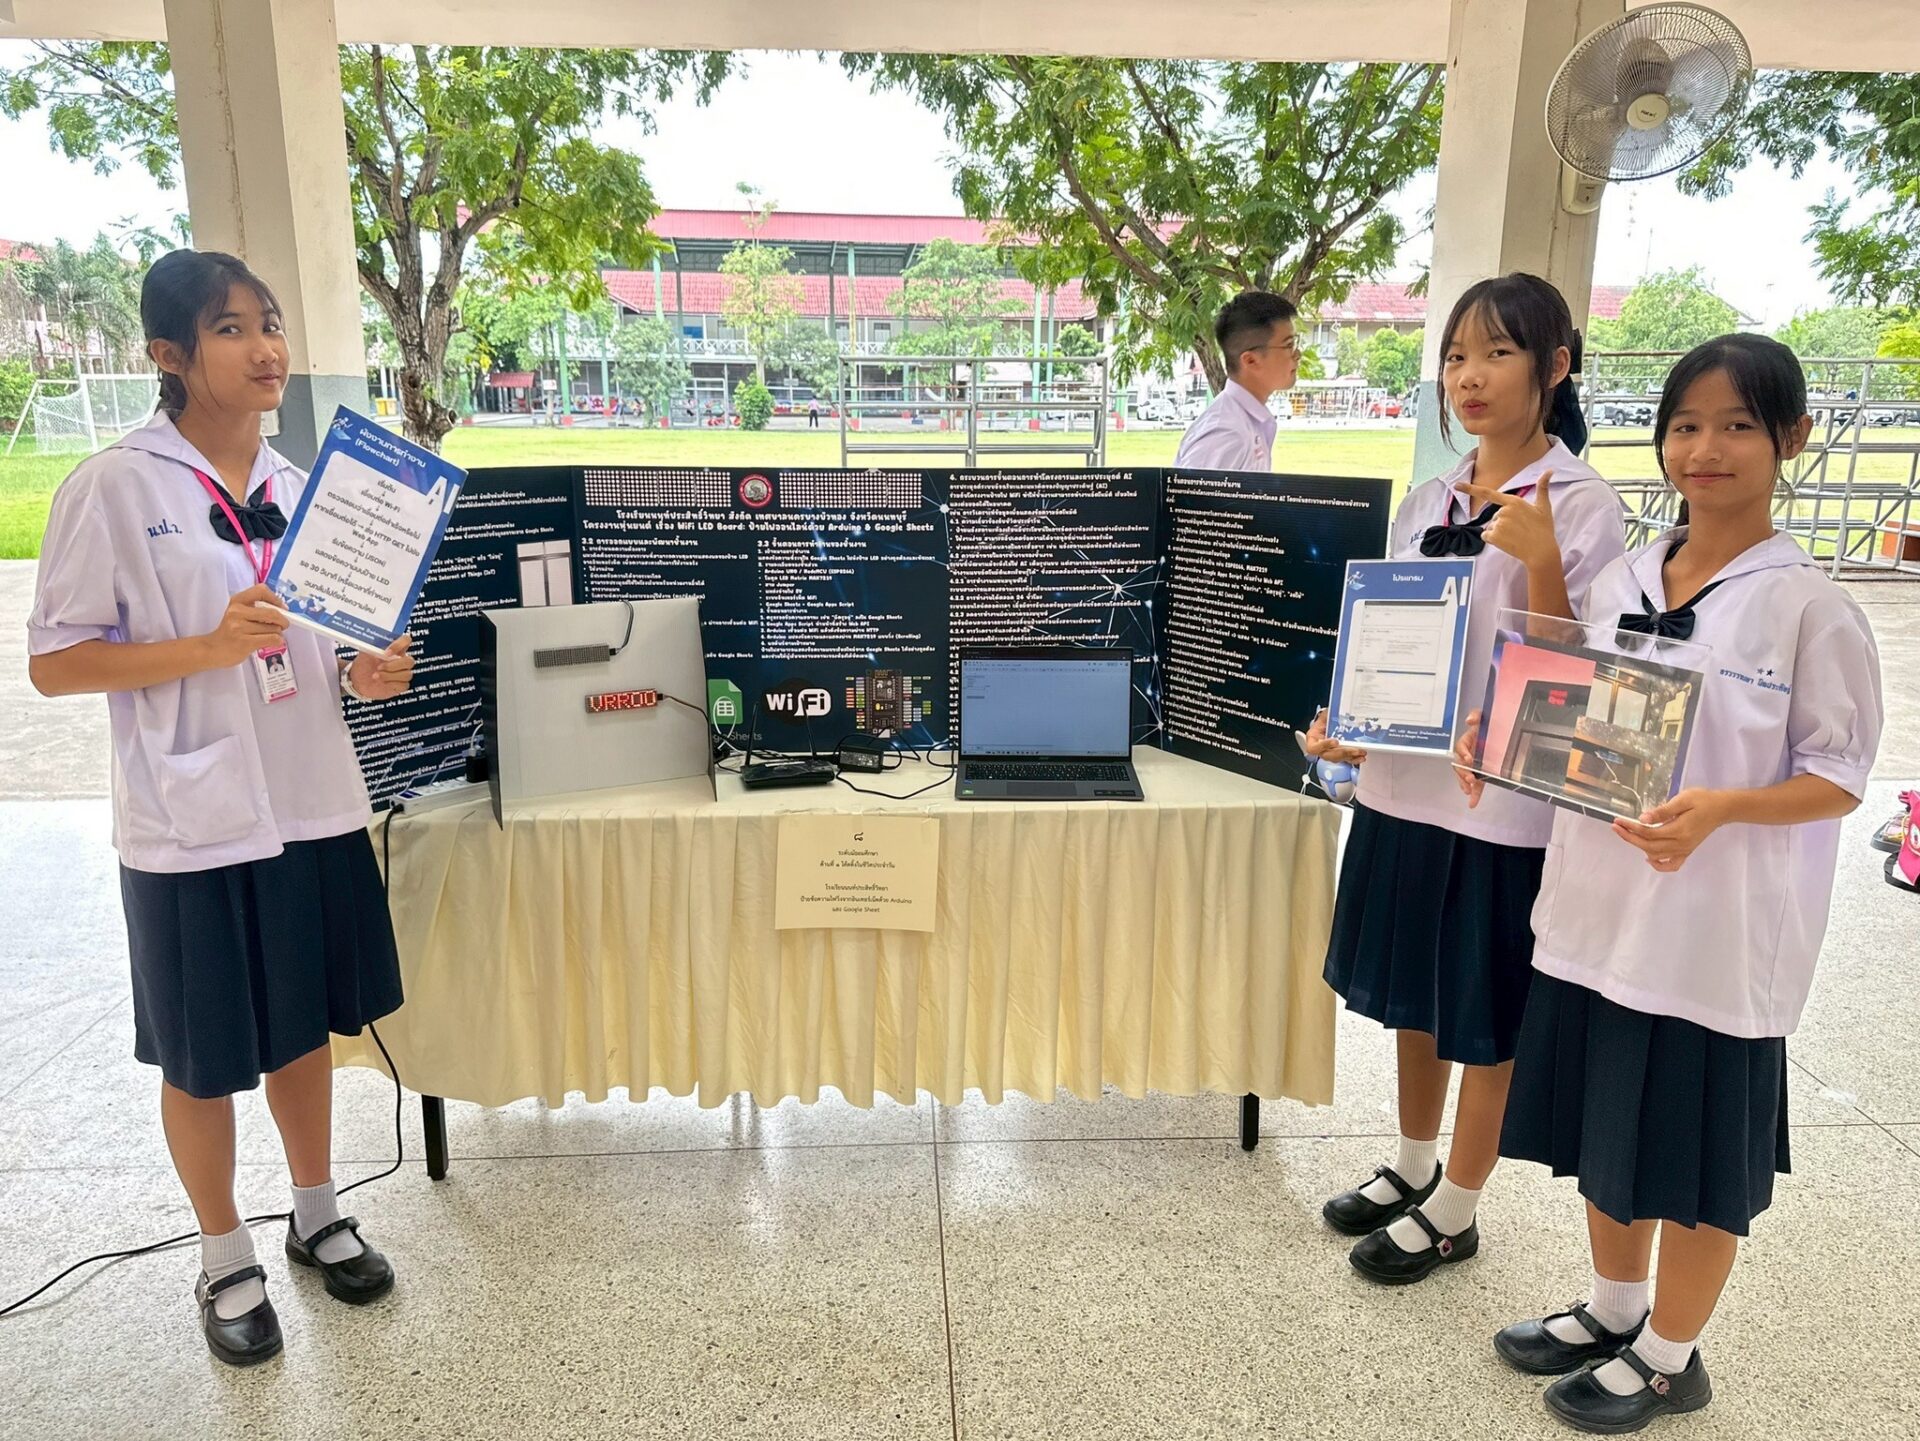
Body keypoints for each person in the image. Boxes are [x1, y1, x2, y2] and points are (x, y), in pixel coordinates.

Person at [1480, 334, 1881, 1432]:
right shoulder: (1624, 578)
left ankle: (1671, 1353)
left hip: (1713, 940)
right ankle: (1614, 1309)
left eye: (1739, 425)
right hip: (1599, 916)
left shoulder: (1808, 606)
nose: (1706, 448)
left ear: (1792, 438)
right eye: (1686, 425)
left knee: (1694, 1160)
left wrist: (1723, 810)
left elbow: (1840, 775)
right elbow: (1575, 711)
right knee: (1607, 1130)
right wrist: (1501, 735)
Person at [27, 249, 418, 1367]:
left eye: (272, 324)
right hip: (188, 823)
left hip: (309, 803)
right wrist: (204, 647)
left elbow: (315, 651)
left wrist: (362, 672)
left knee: (304, 1027)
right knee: (200, 1054)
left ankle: (317, 1211)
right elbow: (55, 663)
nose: (265, 349)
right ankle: (222, 1253)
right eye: (232, 328)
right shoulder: (117, 486)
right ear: (168, 353)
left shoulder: (306, 492)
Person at [1302, 273, 1627, 1284]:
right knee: (1415, 995)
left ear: (1555, 365)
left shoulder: (1582, 506)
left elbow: (1587, 683)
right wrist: (1350, 725)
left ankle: (1458, 1206)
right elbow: (1391, 640)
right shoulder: (1429, 499)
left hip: (1501, 812)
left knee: (1482, 1015)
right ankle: (1412, 1161)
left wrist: (1543, 565)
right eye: (1455, 356)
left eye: (1496, 353)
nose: (1470, 377)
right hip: (1403, 791)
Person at [1173, 291, 1301, 470]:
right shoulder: (1224, 433)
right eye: (1288, 345)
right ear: (1250, 360)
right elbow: (1191, 490)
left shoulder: (1244, 423)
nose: (1297, 354)